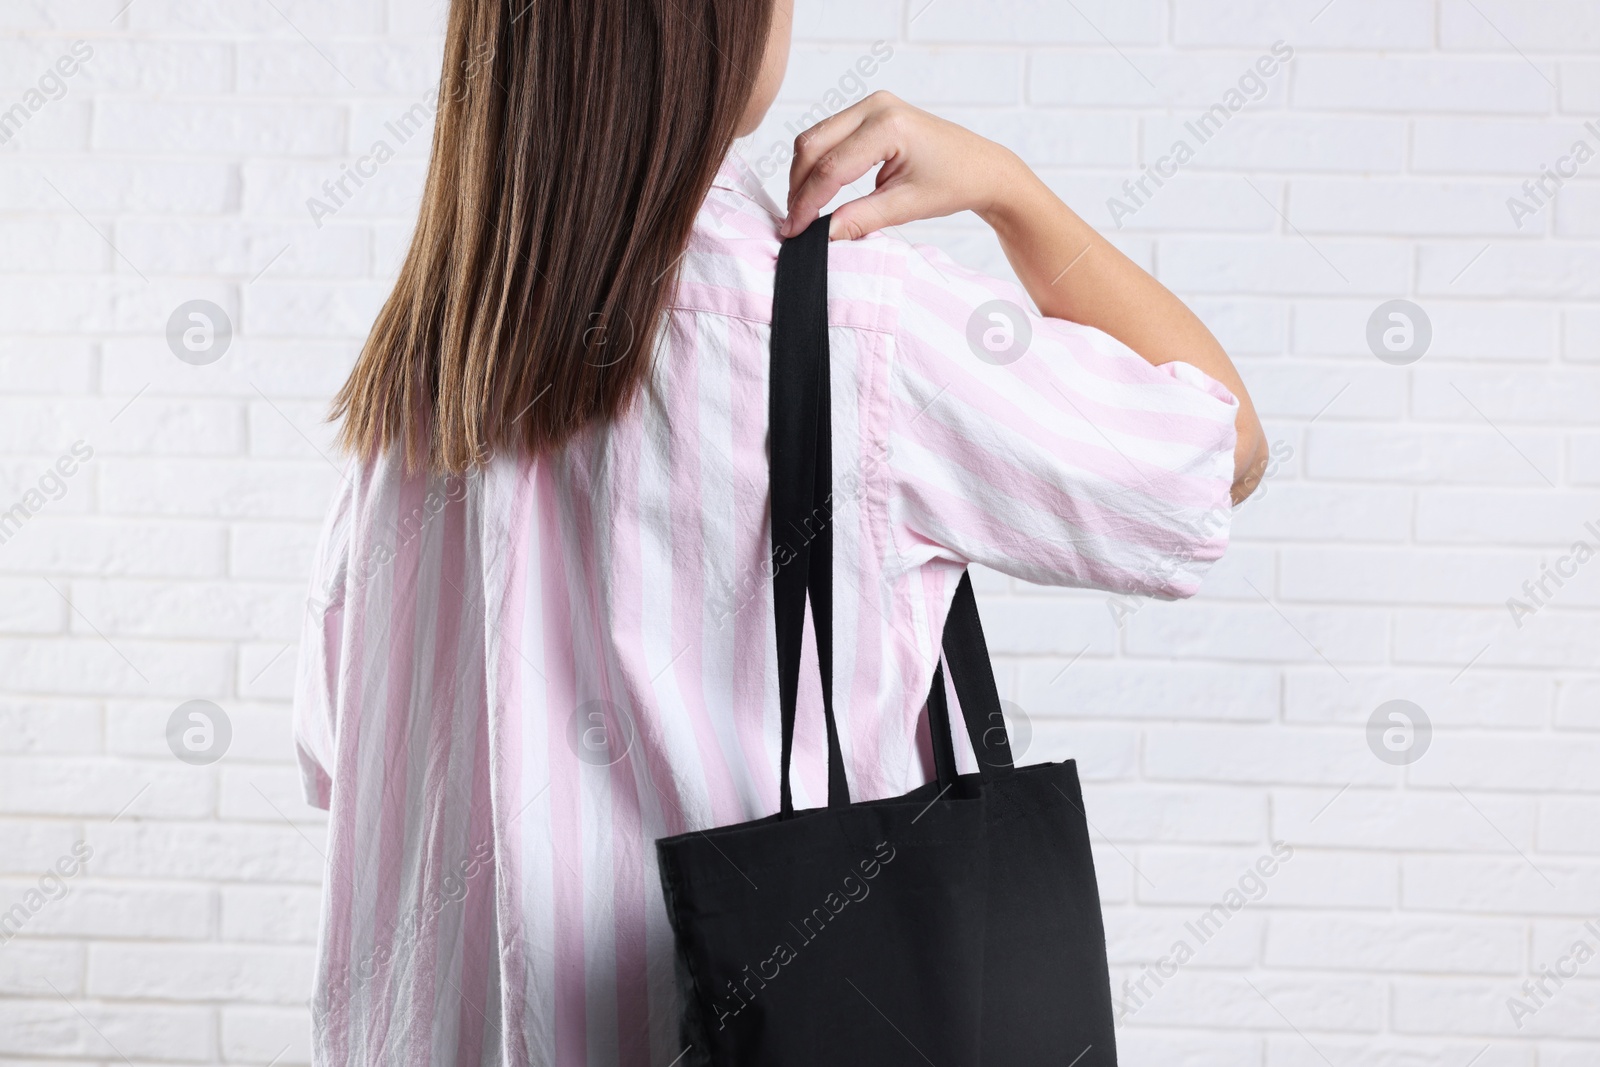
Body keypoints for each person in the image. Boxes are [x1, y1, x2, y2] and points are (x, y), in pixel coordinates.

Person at [292, 0, 1266, 1064]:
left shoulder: (417, 377)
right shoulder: (855, 330)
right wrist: (1006, 189)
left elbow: (341, 750)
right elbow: (1213, 457)